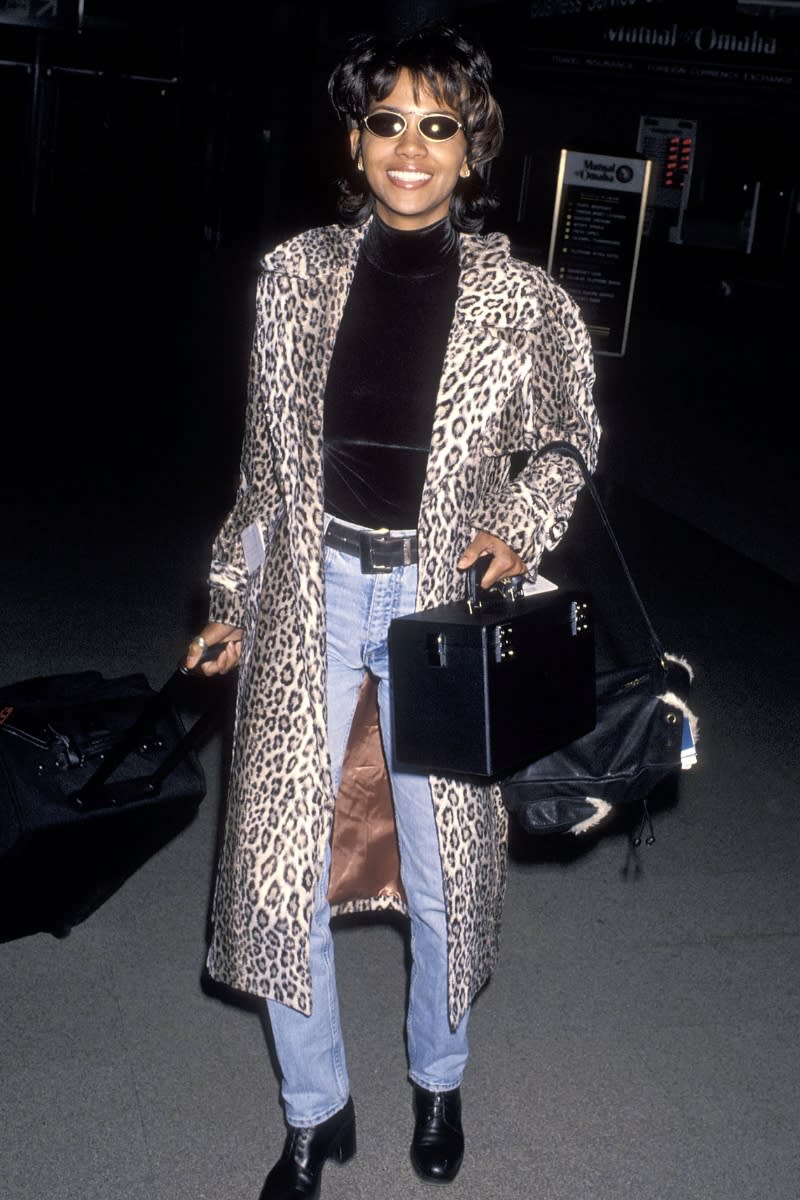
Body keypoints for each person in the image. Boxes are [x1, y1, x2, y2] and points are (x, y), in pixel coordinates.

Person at [185, 22, 600, 1200]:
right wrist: (231, 593)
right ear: (355, 139)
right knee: (279, 870)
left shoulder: (525, 302)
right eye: (387, 124)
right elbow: (262, 466)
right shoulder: (296, 274)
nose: (409, 151)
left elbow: (569, 440)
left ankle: (437, 1076)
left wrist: (520, 523)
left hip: (442, 609)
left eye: (437, 127)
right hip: (309, 587)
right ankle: (314, 1114)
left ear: (472, 149)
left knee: (440, 878)